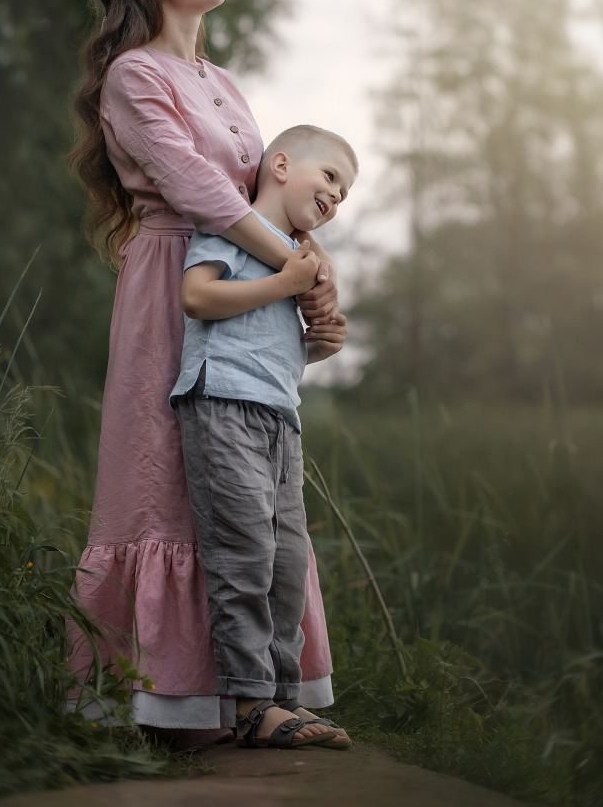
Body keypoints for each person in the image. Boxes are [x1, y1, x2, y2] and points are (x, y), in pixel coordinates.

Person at [67, 0, 348, 747]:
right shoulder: (133, 75)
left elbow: (267, 197)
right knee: (161, 485)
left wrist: (314, 281)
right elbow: (202, 194)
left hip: (246, 294)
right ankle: (166, 700)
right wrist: (295, 277)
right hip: (171, 288)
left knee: (240, 507)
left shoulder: (222, 82)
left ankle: (246, 696)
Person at [170, 124, 357, 749]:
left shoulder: (296, 259)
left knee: (286, 563)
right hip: (221, 403)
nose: (336, 196)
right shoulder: (232, 227)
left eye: (345, 194)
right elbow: (198, 297)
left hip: (280, 416)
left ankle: (282, 700)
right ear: (280, 164)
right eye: (330, 176)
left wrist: (316, 348)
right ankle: (249, 704)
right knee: (244, 553)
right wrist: (284, 285)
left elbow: (266, 346)